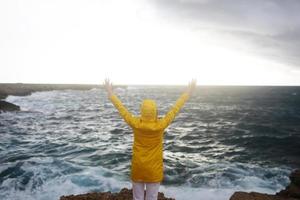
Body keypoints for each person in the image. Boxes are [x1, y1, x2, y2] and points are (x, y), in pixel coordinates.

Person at [103, 79, 196, 200]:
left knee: (137, 198)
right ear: (155, 112)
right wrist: (187, 93)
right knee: (152, 198)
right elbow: (175, 109)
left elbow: (122, 110)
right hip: (153, 171)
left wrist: (111, 93)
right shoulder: (160, 125)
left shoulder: (135, 124)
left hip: (138, 168)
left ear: (142, 111)